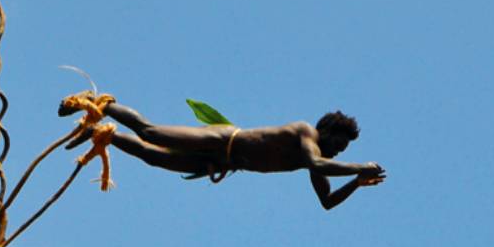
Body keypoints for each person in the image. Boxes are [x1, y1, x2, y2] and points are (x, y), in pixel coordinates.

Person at [60, 98, 386, 210]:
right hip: (223, 139)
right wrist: (361, 166)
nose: (337, 151)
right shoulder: (306, 136)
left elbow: (326, 203)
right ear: (327, 132)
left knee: (153, 157)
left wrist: (357, 181)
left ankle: (102, 134)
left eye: (342, 151)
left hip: (220, 161)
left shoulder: (316, 162)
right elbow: (318, 162)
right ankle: (103, 104)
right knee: (152, 133)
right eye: (339, 145)